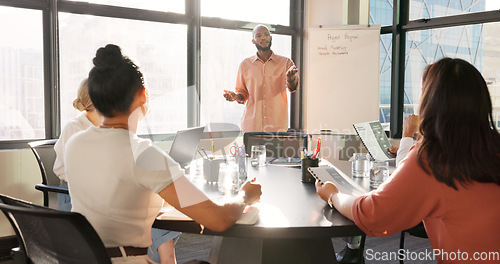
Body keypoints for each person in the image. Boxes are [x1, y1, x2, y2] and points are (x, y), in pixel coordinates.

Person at [65, 44, 262, 264]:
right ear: (142, 95)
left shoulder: (74, 144)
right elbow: (218, 220)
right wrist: (245, 195)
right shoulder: (144, 155)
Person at [316, 58, 500, 263]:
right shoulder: (492, 146)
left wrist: (334, 195)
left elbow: (373, 215)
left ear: (431, 102)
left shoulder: (434, 157)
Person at [223, 24, 299, 132]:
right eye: (258, 36)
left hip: (277, 127)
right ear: (253, 41)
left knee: (276, 150)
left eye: (266, 34)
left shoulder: (286, 63)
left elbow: (293, 88)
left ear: (271, 38)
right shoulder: (245, 65)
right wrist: (235, 97)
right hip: (251, 127)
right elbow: (242, 95)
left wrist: (291, 78)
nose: (263, 38)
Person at [53, 78, 102, 212]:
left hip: (98, 194)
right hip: (73, 196)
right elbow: (76, 173)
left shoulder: (107, 127)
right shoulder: (74, 128)